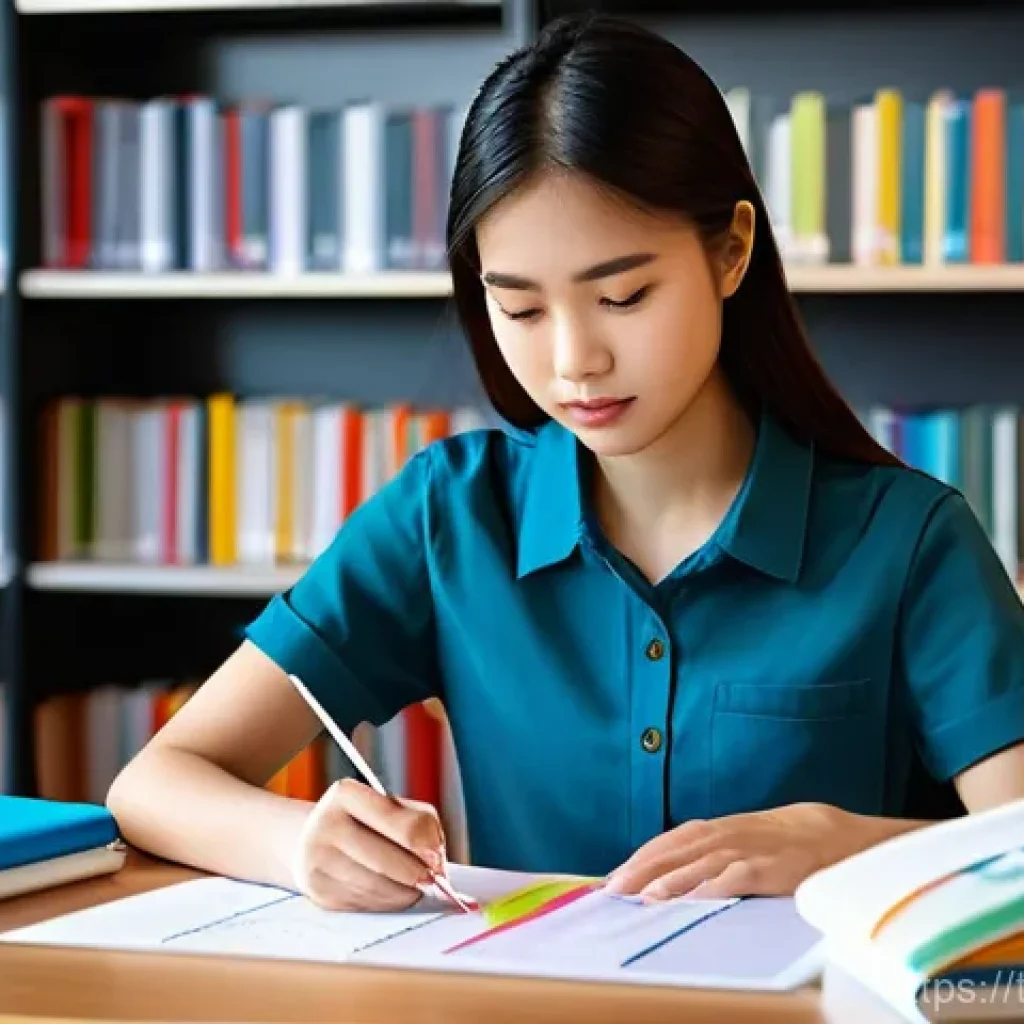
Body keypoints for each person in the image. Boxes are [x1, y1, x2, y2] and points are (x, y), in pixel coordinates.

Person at [106, 13, 1024, 912]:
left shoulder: (908, 541)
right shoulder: (449, 517)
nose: (574, 360)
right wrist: (301, 843)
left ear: (731, 250)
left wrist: (843, 845)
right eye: (521, 309)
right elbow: (155, 783)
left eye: (622, 296)